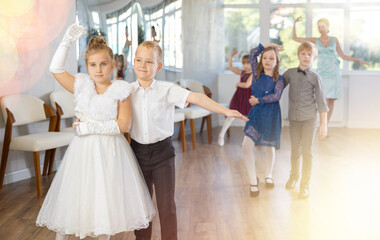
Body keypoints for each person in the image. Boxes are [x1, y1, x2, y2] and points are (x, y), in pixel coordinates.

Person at [36, 24, 155, 240]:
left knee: (105, 201)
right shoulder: (81, 85)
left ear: (113, 65)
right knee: (74, 198)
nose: (98, 69)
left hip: (111, 150)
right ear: (86, 66)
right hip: (83, 150)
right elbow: (55, 69)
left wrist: (89, 127)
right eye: (92, 65)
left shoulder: (120, 90)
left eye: (103, 64)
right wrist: (66, 41)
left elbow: (124, 125)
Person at [129, 41, 248, 240]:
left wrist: (225, 110)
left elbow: (198, 98)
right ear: (134, 62)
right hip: (137, 153)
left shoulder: (167, 90)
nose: (143, 65)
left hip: (162, 154)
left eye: (149, 61)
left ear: (158, 66)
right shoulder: (127, 91)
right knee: (142, 207)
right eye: (139, 60)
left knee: (167, 206)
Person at [293, 16, 368, 123]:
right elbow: (296, 38)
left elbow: (343, 56)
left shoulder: (334, 40)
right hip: (322, 72)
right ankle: (317, 123)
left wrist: (358, 60)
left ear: (328, 27)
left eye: (323, 26)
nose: (321, 29)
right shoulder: (315, 40)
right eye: (319, 27)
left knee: (331, 100)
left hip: (334, 72)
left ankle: (325, 126)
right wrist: (294, 24)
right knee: (321, 99)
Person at [283, 41, 329, 199]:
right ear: (298, 56)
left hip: (310, 119)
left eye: (310, 54)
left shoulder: (315, 77)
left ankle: (305, 184)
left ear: (314, 58)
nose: (306, 57)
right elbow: (276, 87)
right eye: (303, 53)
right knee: (295, 149)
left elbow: (322, 103)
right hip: (294, 119)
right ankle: (294, 176)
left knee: (306, 151)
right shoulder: (289, 73)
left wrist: (324, 125)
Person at [242, 43, 285, 197]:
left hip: (271, 115)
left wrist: (258, 100)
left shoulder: (280, 79)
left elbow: (276, 96)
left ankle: (268, 175)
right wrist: (270, 45)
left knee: (269, 147)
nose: (267, 60)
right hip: (256, 114)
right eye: (265, 57)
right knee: (246, 146)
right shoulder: (256, 73)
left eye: (271, 58)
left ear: (277, 61)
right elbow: (253, 52)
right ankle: (253, 182)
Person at [218, 50, 253, 146]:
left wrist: (238, 84)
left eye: (248, 63)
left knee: (247, 119)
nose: (245, 65)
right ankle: (221, 135)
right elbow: (230, 67)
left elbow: (247, 85)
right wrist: (231, 57)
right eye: (244, 63)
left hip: (247, 97)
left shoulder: (253, 73)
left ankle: (245, 140)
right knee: (230, 116)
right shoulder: (242, 72)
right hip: (239, 96)